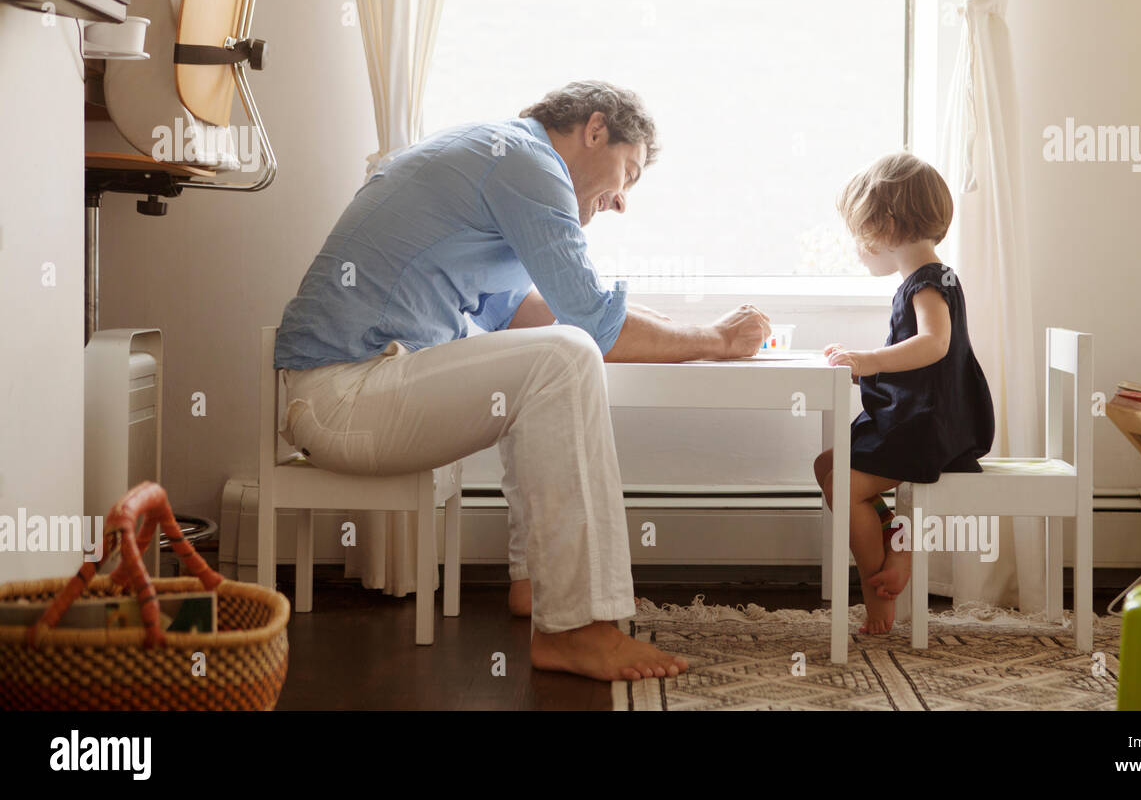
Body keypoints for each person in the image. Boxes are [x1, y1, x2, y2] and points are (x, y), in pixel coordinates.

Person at [274, 81, 771, 681]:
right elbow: (591, 326)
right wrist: (714, 340)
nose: (622, 201)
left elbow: (527, 314)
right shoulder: (527, 164)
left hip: (352, 387)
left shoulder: (501, 158)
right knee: (563, 357)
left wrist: (686, 329)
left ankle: (537, 585)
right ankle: (576, 627)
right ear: (594, 130)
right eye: (629, 173)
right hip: (343, 397)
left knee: (544, 358)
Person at [812, 152, 994, 635]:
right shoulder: (929, 278)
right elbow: (921, 364)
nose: (858, 247)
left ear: (886, 226)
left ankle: (878, 591)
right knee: (827, 465)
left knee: (842, 485)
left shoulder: (928, 282)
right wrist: (862, 367)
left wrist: (869, 361)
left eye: (860, 235)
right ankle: (896, 533)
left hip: (928, 428)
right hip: (922, 418)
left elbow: (935, 344)